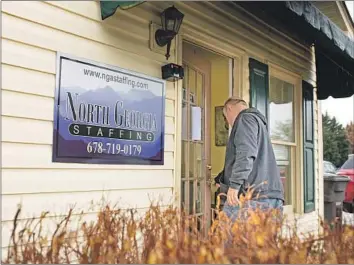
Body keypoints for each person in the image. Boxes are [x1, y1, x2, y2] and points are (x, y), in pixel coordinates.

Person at [220, 97, 284, 222]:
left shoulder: (244, 119)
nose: (229, 123)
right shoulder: (257, 123)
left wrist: (234, 185)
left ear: (229, 109)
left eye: (226, 117)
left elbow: (246, 153)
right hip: (271, 198)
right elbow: (254, 159)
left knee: (228, 239)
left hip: (252, 198)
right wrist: (222, 178)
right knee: (264, 241)